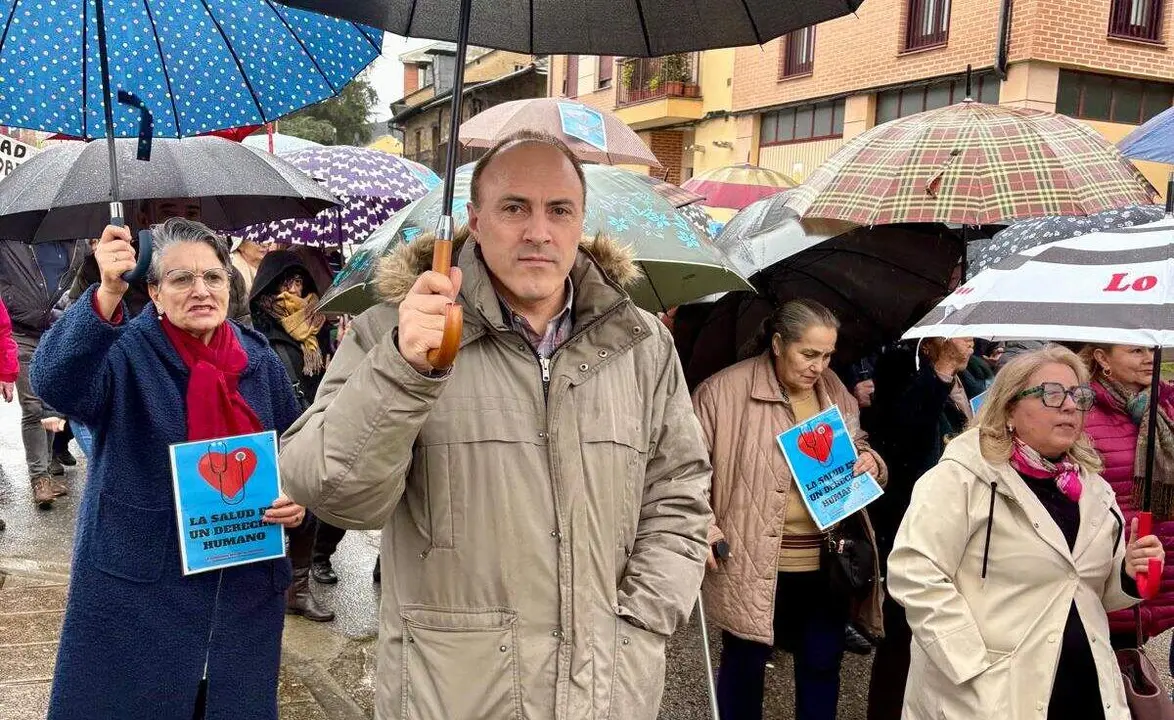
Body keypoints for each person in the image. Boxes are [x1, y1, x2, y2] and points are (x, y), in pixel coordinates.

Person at [279, 130, 712, 719]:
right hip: (456, 693)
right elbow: (333, 491)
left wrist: (644, 618)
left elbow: (680, 492)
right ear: (475, 222)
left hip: (608, 688)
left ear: (580, 222)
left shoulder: (641, 343)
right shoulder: (395, 333)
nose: (539, 231)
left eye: (559, 210)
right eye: (515, 208)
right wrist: (404, 371)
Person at [32, 218, 309, 719]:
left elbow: (295, 451)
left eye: (213, 277)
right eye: (181, 279)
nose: (200, 290)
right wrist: (108, 290)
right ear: (155, 292)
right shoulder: (125, 351)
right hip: (140, 587)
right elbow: (55, 381)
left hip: (242, 585)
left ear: (230, 286)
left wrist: (297, 499)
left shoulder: (257, 359)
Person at [887, 346, 1165, 720]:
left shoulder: (1093, 489)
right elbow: (914, 574)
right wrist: (971, 664)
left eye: (1079, 396)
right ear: (1009, 408)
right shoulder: (961, 478)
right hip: (990, 695)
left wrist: (1129, 574)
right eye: (1052, 394)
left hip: (1083, 691)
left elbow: (1091, 590)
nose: (1070, 406)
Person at [692, 299, 886, 720]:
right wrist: (705, 528)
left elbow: (857, 443)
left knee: (822, 666)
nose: (819, 366)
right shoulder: (722, 392)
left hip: (825, 560)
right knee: (744, 666)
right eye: (809, 354)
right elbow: (686, 472)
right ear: (778, 343)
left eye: (828, 355)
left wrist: (871, 460)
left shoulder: (832, 389)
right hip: (751, 559)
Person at [865, 336, 975, 720]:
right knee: (906, 626)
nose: (969, 344)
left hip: (967, 518)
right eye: (959, 336)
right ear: (929, 343)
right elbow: (900, 435)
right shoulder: (898, 368)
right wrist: (940, 371)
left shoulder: (976, 374)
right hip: (912, 513)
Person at [249, 250, 334, 622]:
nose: (294, 291)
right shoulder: (259, 332)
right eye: (286, 283)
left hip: (313, 424)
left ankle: (297, 588)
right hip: (274, 430)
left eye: (300, 283)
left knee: (310, 511)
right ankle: (282, 585)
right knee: (278, 512)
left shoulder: (317, 329)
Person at [1079, 344, 1174, 658]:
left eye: (1151, 349)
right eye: (1136, 351)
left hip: (1164, 562)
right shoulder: (1082, 415)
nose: (1149, 358)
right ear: (1102, 358)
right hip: (1116, 569)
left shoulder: (1167, 404)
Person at [0, 236, 86, 507]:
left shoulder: (76, 244)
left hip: (58, 330)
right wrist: (11, 299)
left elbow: (81, 282)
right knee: (34, 406)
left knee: (53, 404)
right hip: (20, 331)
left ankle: (47, 466)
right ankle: (39, 479)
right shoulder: (8, 240)